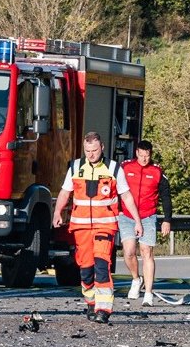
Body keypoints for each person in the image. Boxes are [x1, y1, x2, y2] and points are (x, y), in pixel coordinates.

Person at [52, 131, 122, 323]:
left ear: (102, 148)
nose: (91, 154)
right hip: (81, 227)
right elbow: (65, 192)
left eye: (95, 150)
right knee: (86, 269)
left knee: (102, 265)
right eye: (88, 151)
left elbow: (127, 195)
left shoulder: (114, 168)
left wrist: (137, 222)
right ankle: (91, 302)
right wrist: (57, 212)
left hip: (105, 226)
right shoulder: (75, 167)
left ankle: (104, 309)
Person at [116, 138, 173, 305]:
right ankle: (136, 279)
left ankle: (148, 293)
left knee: (146, 251)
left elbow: (166, 197)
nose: (144, 159)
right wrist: (116, 210)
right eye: (141, 155)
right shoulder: (125, 167)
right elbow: (115, 189)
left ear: (151, 154)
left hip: (148, 216)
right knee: (129, 252)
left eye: (147, 156)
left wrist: (167, 220)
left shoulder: (157, 171)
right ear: (136, 153)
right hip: (127, 216)